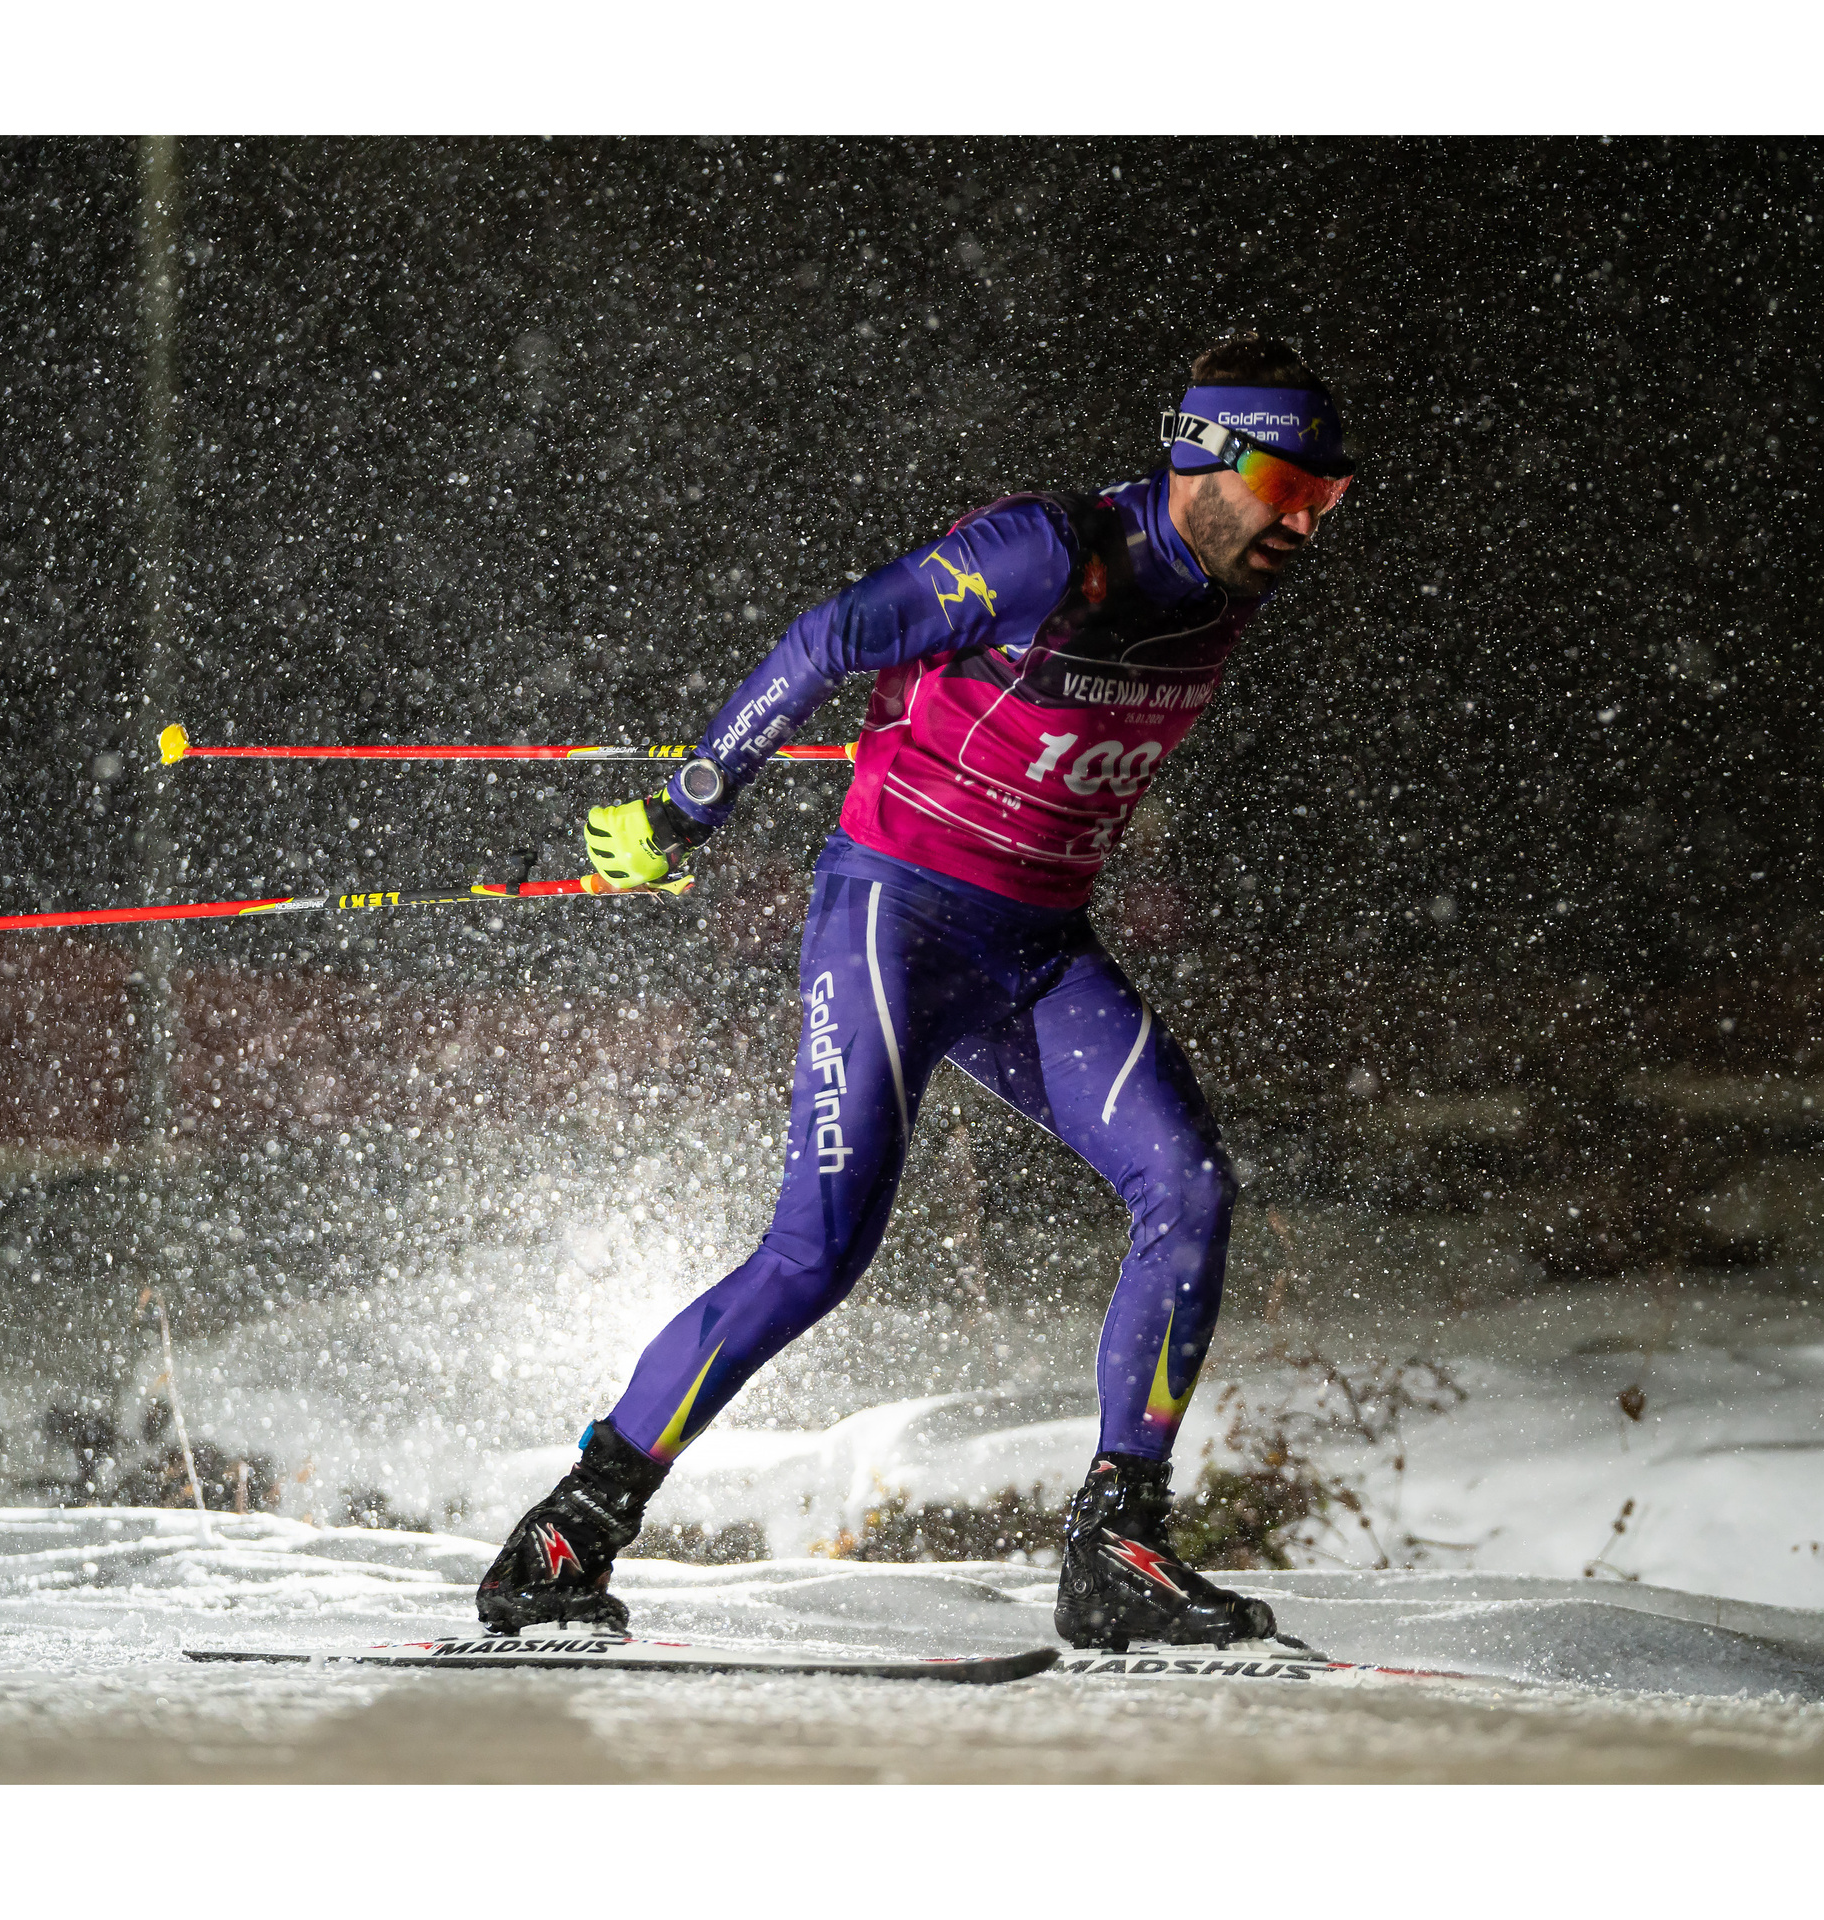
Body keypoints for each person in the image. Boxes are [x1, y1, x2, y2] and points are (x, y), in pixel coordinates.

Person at [477, 335, 1355, 1651]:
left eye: (1329, 503)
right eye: (1289, 489)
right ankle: (565, 1538)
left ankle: (1117, 1550)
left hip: (1039, 950)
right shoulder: (1047, 555)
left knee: (1190, 1190)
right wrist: (687, 806)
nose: (1305, 524)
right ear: (1203, 457)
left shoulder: (1230, 590)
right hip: (892, 924)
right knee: (820, 1253)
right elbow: (830, 635)